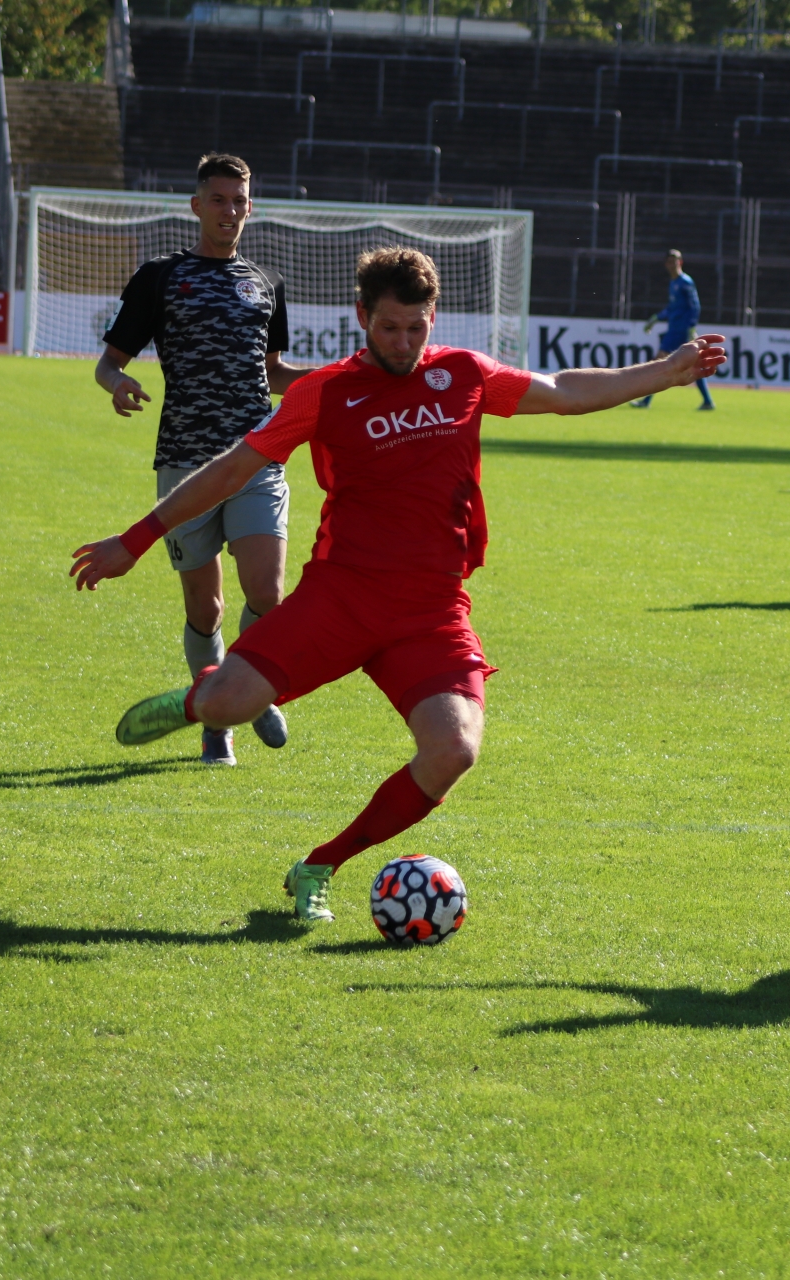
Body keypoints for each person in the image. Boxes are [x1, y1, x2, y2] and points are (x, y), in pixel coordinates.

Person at [71, 247, 728, 924]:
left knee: (453, 750)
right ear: (362, 316)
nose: (404, 342)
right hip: (342, 598)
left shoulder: (464, 373)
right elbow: (232, 469)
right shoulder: (323, 392)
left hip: (431, 611)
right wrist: (134, 540)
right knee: (225, 706)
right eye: (389, 327)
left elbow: (562, 391)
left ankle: (319, 865)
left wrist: (668, 370)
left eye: (416, 327)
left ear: (432, 318)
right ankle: (197, 699)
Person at [94, 152, 309, 766]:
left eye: (239, 201)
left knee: (266, 591)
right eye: (218, 199)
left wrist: (332, 380)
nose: (229, 211)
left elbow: (273, 374)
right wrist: (117, 383)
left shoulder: (267, 283)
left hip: (256, 456)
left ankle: (245, 688)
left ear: (250, 207)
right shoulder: (160, 277)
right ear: (196, 206)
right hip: (184, 463)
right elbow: (109, 362)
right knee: (205, 607)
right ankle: (218, 720)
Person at [633, 250, 714, 411]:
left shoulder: (685, 282)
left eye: (675, 261)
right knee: (688, 364)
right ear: (666, 264)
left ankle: (646, 401)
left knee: (659, 363)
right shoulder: (673, 283)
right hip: (674, 330)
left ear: (680, 262)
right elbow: (672, 309)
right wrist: (656, 318)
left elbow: (695, 306)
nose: (672, 264)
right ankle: (707, 401)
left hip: (681, 331)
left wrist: (691, 327)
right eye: (669, 262)